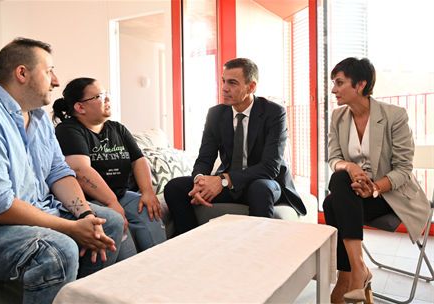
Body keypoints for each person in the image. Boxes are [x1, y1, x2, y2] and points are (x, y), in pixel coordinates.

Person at [0, 38, 126, 304]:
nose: (56, 81)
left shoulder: (38, 117)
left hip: (40, 210)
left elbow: (58, 171)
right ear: (22, 73)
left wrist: (86, 215)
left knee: (108, 222)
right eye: (49, 71)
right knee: (59, 249)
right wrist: (70, 228)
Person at [323, 57, 430, 304]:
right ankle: (358, 270)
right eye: (333, 83)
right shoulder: (338, 117)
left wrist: (373, 187)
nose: (333, 89)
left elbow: (404, 169)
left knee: (332, 203)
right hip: (352, 190)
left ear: (360, 84)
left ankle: (347, 276)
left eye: (339, 83)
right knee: (339, 179)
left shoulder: (394, 115)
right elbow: (334, 158)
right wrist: (349, 167)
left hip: (391, 194)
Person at [164, 58, 306, 236]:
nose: (224, 88)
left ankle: (257, 251)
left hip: (264, 181)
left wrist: (223, 180)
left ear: (251, 87)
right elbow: (205, 158)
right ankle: (192, 241)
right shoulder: (215, 114)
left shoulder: (274, 113)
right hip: (230, 184)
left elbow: (270, 168)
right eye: (223, 81)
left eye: (232, 83)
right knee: (174, 187)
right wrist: (199, 181)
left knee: (260, 189)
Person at [52, 77, 166, 256]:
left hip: (120, 194)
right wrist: (111, 202)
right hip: (89, 201)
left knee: (150, 209)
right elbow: (80, 170)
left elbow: (138, 160)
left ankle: (161, 266)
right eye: (100, 96)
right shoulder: (68, 130)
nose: (107, 99)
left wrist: (148, 192)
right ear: (80, 107)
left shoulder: (117, 128)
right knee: (117, 225)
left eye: (107, 94)